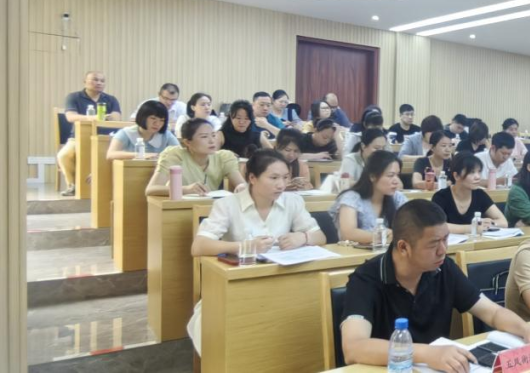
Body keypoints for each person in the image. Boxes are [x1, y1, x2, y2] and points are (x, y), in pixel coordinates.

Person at [339, 200, 530, 369]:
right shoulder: (366, 279)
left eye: (445, 239)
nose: (443, 250)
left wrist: (527, 330)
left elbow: (493, 313)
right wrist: (426, 354)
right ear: (404, 247)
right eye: (434, 243)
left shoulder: (444, 268)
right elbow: (354, 348)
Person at [187, 149, 327, 355]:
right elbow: (198, 246)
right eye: (274, 178)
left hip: (282, 281)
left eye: (285, 177)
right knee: (214, 320)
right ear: (252, 178)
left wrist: (302, 237)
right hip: (239, 285)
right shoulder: (227, 205)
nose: (281, 184)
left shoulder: (293, 201)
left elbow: (320, 237)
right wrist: (244, 246)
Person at [56, 71, 122, 195]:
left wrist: (105, 118)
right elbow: (70, 117)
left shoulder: (110, 99)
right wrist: (92, 118)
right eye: (95, 79)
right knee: (63, 155)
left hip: (105, 138)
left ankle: (108, 187)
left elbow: (116, 117)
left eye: (102, 81)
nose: (99, 83)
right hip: (78, 138)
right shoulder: (74, 97)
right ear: (85, 81)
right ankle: (72, 186)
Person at [145, 118, 244, 196]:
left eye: (213, 135)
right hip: (179, 208)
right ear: (187, 142)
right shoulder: (175, 155)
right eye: (204, 136)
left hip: (210, 209)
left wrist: (242, 187)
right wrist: (186, 189)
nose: (211, 141)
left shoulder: (224, 157)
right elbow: (151, 189)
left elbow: (241, 185)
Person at [329, 150, 408, 245]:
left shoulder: (397, 198)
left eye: (397, 175)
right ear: (372, 176)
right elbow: (348, 233)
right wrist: (383, 236)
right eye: (390, 175)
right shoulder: (351, 198)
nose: (396, 181)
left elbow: (412, 226)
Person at [430, 153, 508, 233]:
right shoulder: (441, 196)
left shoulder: (480, 194)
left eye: (479, 172)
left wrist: (490, 223)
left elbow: (503, 222)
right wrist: (473, 228)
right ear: (456, 176)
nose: (478, 177)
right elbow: (437, 226)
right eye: (471, 172)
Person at [107, 100, 179, 160]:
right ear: (143, 117)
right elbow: (110, 154)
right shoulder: (126, 133)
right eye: (153, 118)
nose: (157, 124)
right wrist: (140, 155)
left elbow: (180, 153)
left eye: (162, 120)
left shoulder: (166, 135)